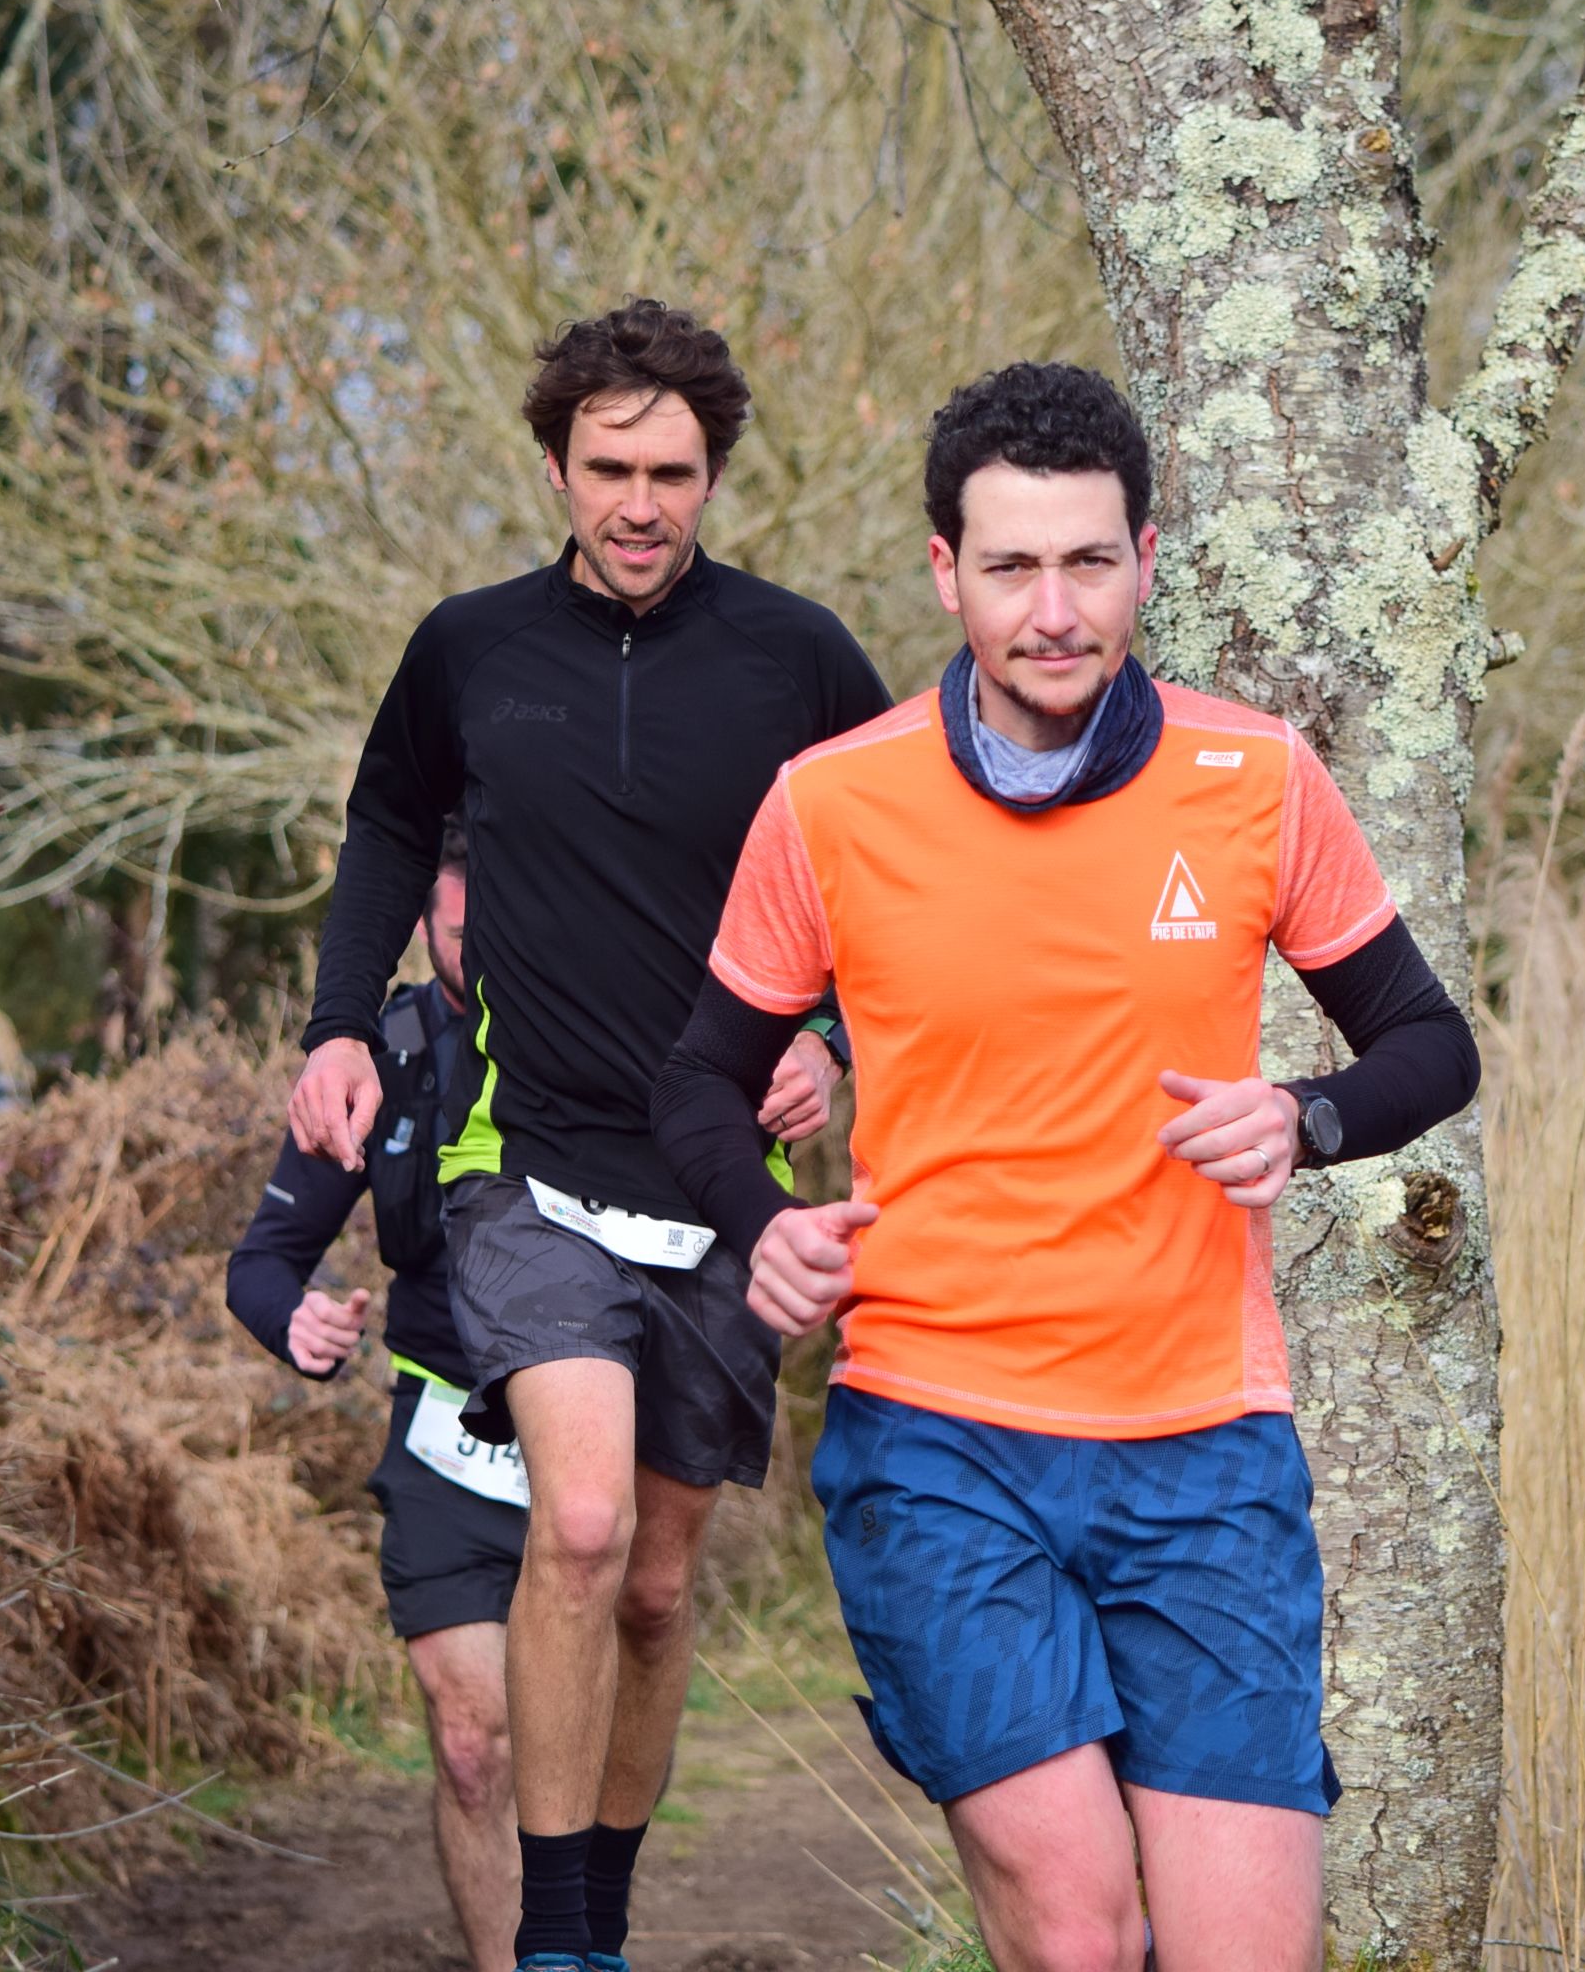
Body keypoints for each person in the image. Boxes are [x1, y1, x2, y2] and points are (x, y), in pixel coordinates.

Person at [651, 361, 1481, 1972]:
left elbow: (1429, 1044)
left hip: (1208, 1453)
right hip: (937, 1436)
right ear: (945, 572)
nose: (1054, 611)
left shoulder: (1255, 778)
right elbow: (696, 1083)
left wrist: (1303, 1118)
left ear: (1146, 560)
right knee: (1081, 1930)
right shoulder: (833, 803)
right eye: (1013, 566)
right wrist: (764, 1222)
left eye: (1091, 562)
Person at [285, 298, 893, 1971]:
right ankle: (555, 1946)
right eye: (610, 468)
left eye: (671, 474)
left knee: (656, 1587)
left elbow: (896, 872)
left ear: (713, 478)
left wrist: (831, 1037)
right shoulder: (470, 650)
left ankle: (597, 1925)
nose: (640, 504)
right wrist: (337, 1026)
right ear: (556, 467)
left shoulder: (796, 658)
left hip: (720, 1186)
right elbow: (387, 823)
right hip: (526, 1168)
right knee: (578, 1527)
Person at [228, 822, 523, 1972]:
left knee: (577, 1747)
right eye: (458, 924)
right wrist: (295, 1320)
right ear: (420, 913)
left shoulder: (608, 1021)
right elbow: (263, 1261)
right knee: (472, 1743)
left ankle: (580, 1942)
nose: (481, 942)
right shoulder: (383, 1054)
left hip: (600, 1426)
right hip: (444, 1430)